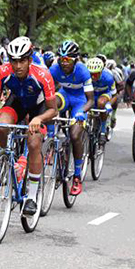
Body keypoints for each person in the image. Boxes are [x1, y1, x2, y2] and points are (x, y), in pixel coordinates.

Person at [0, 36, 57, 216]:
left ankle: (32, 196)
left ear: (30, 60)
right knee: (1, 125)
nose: (17, 66)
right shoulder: (3, 71)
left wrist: (39, 119)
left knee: (33, 143)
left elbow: (53, 110)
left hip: (38, 108)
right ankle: (5, 158)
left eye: (22, 61)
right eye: (13, 61)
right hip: (17, 101)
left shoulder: (43, 75)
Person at [49, 40, 93, 196]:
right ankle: (50, 139)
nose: (63, 62)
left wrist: (82, 112)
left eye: (67, 59)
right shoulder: (54, 69)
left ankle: (77, 175)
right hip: (65, 95)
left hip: (80, 102)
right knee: (52, 102)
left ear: (75, 59)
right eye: (61, 58)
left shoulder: (83, 72)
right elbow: (47, 93)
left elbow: (90, 100)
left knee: (75, 135)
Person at [86, 57, 117, 140]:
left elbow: (114, 95)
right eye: (90, 74)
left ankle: (103, 130)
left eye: (95, 74)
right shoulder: (85, 76)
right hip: (91, 94)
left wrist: (109, 105)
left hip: (104, 94)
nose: (92, 77)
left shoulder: (108, 78)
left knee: (101, 103)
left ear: (101, 72)